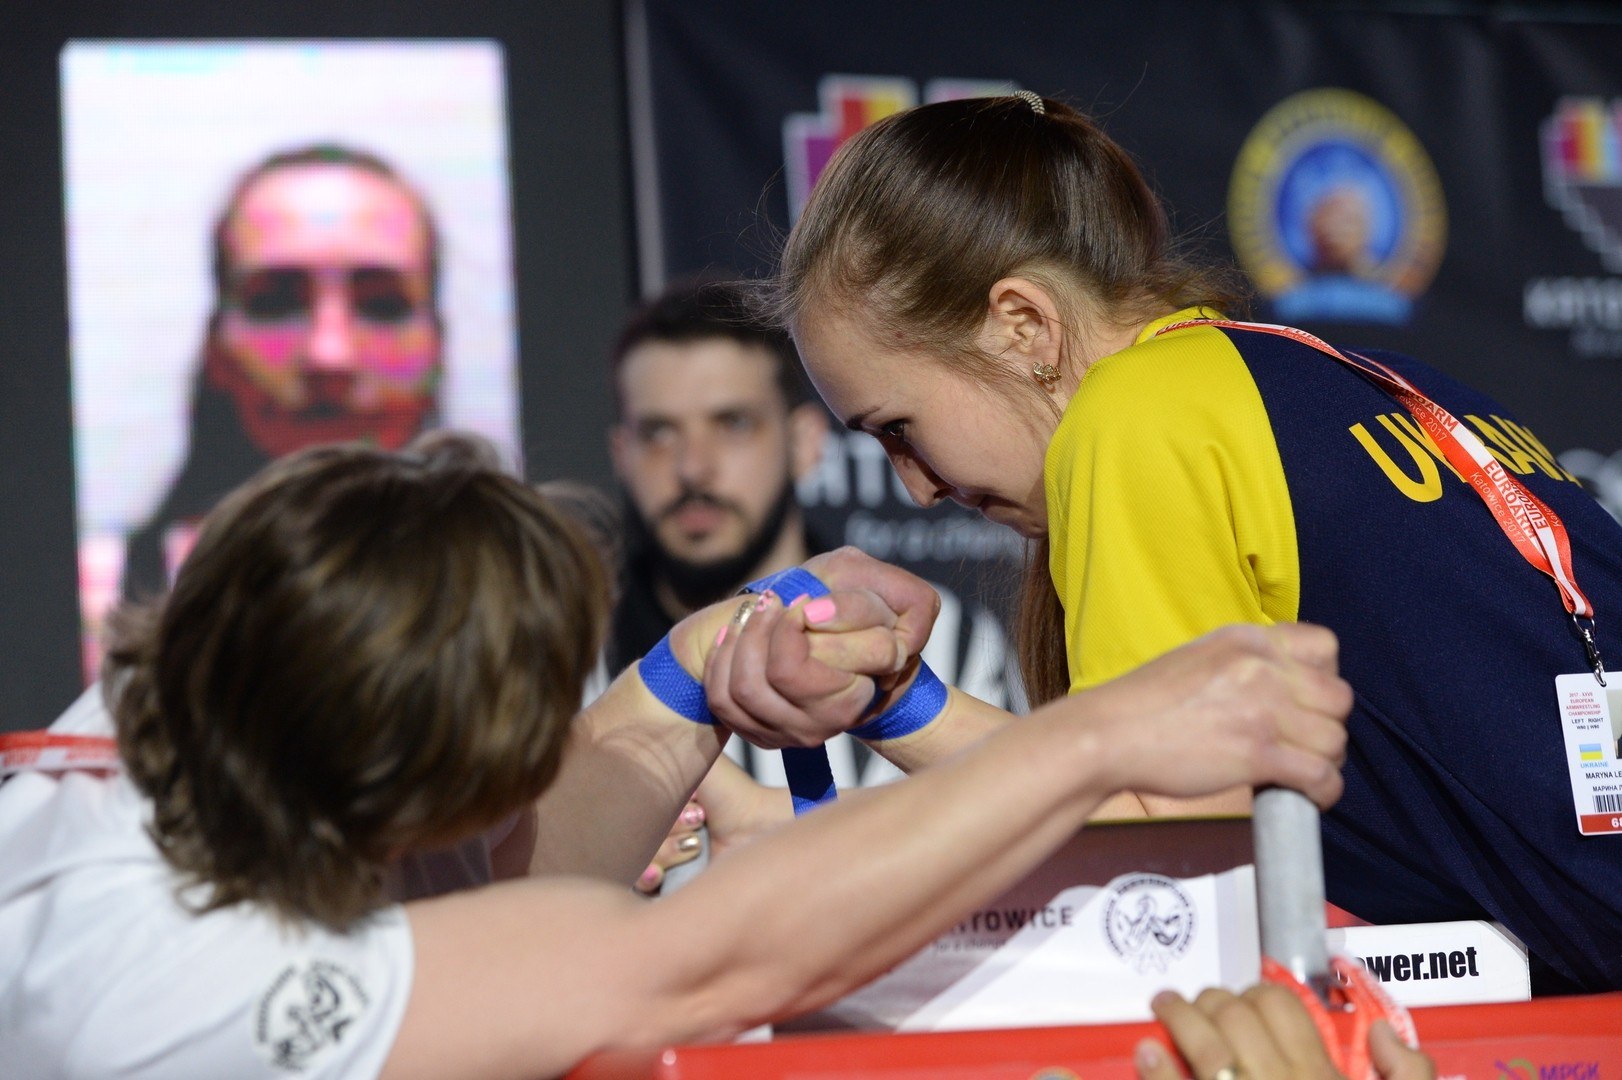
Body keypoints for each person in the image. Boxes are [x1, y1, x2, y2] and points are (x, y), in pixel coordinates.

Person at [0, 435, 1361, 1078]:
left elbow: (516, 875)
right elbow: (707, 958)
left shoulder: (198, 694)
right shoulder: (187, 991)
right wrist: (1103, 732)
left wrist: (701, 668)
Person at [740, 92, 1622, 993]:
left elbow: (1159, 858)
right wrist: (776, 821)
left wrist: (893, 697)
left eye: (897, 427)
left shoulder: (1139, 416)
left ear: (1024, 325)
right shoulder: (1354, 380)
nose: (916, 487)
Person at [604, 278, 1016, 890]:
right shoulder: (564, 671)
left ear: (805, 442)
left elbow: (1016, 853)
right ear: (622, 455)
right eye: (659, 433)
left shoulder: (945, 643)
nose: (693, 468)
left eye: (732, 423)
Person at [120, 144, 444, 601]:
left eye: (383, 305)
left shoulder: (528, 592)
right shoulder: (99, 600)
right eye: (274, 303)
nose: (329, 356)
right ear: (215, 346)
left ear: (438, 344)